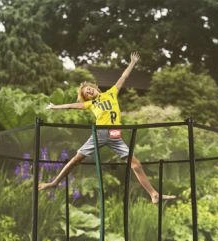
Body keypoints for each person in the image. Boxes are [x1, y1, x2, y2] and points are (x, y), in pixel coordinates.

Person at [39, 52, 175, 204]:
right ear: (87, 98)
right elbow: (71, 105)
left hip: (115, 134)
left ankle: (153, 194)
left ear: (95, 88)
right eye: (86, 93)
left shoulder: (111, 93)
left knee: (136, 164)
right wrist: (55, 107)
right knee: (76, 160)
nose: (88, 92)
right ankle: (54, 183)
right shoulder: (90, 104)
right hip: (100, 133)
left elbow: (123, 77)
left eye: (89, 89)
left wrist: (132, 63)